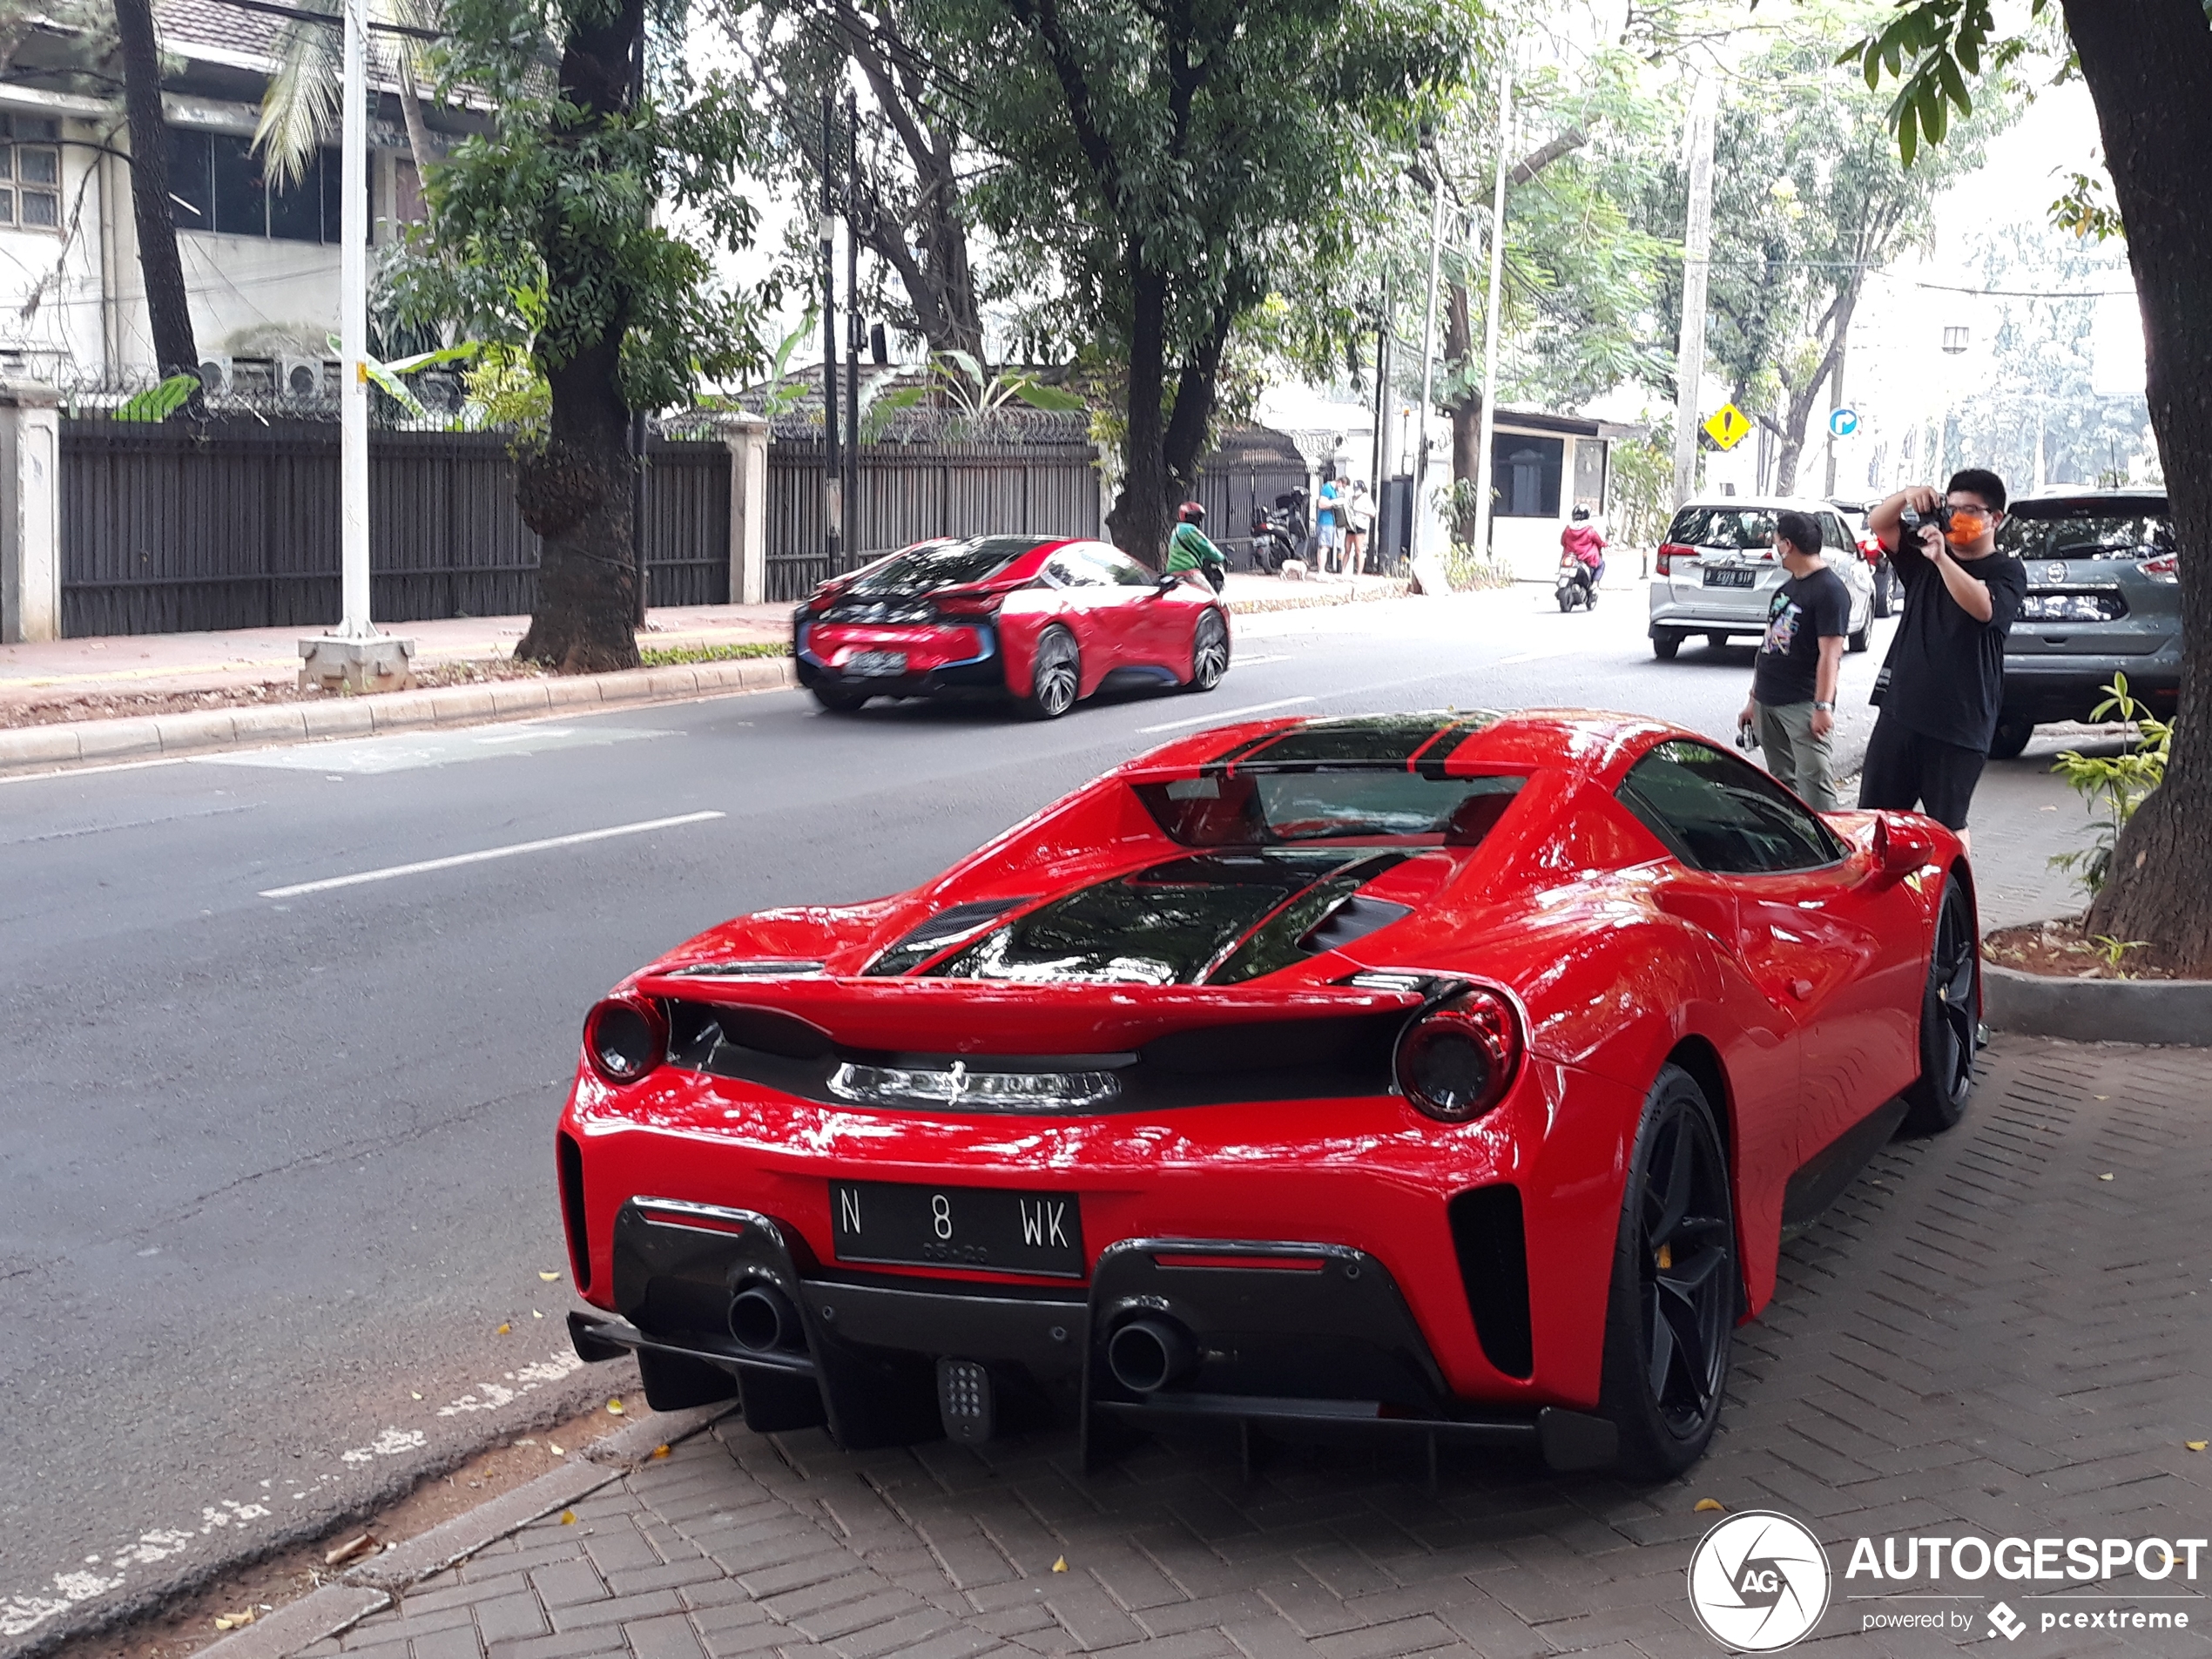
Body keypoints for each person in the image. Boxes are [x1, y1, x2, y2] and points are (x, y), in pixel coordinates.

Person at [1858, 468, 2027, 851]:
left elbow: (1984, 608)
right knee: (1875, 823)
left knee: (1947, 830)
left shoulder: (2006, 571)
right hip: (1901, 713)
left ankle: (1953, 904)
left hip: (1960, 727)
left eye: (1969, 509)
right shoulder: (1922, 555)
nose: (1957, 518)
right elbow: (1879, 523)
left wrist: (1943, 560)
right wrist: (1908, 495)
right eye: (1951, 509)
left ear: (1994, 518)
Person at [1737, 509, 1851, 810]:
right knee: (1781, 782)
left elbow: (1830, 655)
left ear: (1787, 545)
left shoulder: (1830, 592)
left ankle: (1833, 844)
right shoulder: (1785, 590)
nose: (1774, 548)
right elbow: (1767, 646)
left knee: (1815, 782)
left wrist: (1823, 706)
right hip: (1768, 701)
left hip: (1801, 703)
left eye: (1776, 541)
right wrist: (1753, 700)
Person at [1165, 500, 1227, 591]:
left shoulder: (1177, 529)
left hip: (1172, 572)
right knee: (1211, 598)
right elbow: (1206, 546)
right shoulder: (1189, 529)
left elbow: (1192, 549)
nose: (1198, 521)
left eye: (1199, 518)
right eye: (1195, 517)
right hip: (1188, 571)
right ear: (1186, 516)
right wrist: (1221, 558)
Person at [1559, 504, 1606, 600]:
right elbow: (1599, 542)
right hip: (1586, 559)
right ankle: (1595, 584)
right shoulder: (1589, 530)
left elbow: (1562, 542)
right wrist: (1605, 544)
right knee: (1601, 564)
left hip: (1570, 557)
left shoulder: (1568, 529)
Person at [1315, 475, 1345, 574]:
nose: (1342, 489)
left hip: (1328, 522)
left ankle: (1321, 570)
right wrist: (1335, 503)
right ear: (1339, 482)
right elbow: (1321, 504)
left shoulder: (1333, 490)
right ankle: (1322, 571)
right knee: (1325, 547)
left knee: (1322, 547)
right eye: (1343, 486)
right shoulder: (1328, 488)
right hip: (1326, 522)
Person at [1346, 480, 1375, 572]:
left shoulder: (1366, 498)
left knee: (1359, 550)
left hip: (1361, 526)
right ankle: (1343, 571)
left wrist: (1361, 510)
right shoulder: (1351, 498)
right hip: (1351, 525)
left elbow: (1372, 513)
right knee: (1347, 548)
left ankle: (1359, 573)